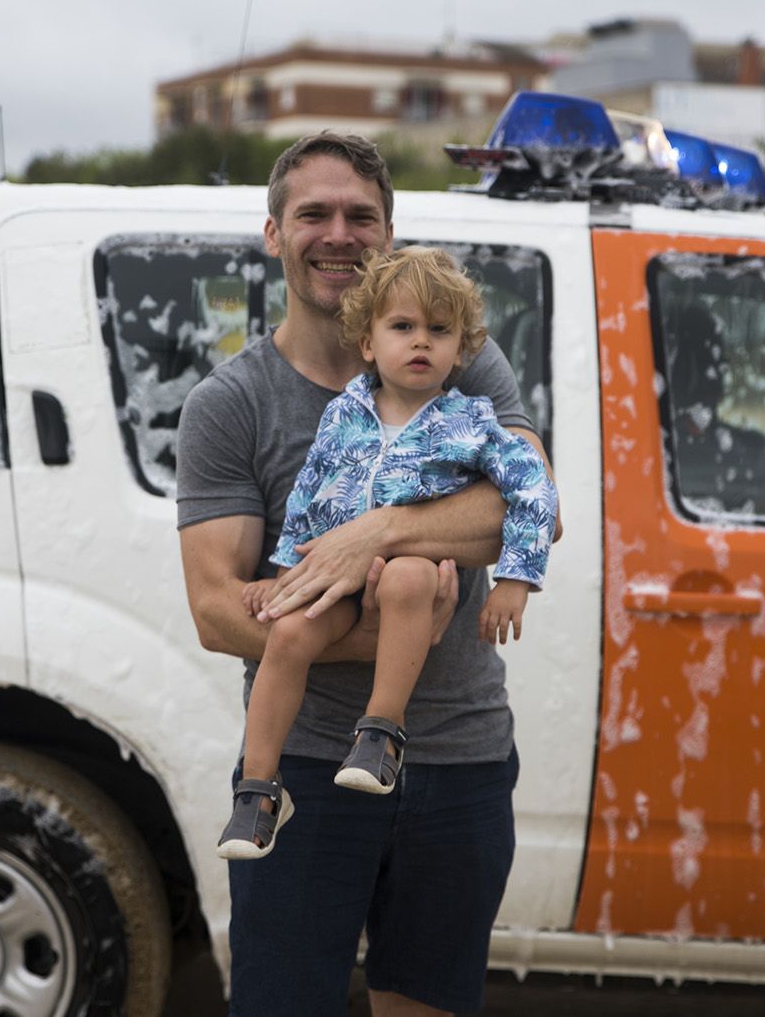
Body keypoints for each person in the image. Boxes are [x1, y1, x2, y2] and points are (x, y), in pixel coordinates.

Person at [176, 130, 560, 1017]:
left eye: (362, 216)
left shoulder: (461, 364)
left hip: (460, 759)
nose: (339, 234)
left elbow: (533, 499)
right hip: (307, 771)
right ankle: (255, 796)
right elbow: (217, 609)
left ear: (389, 235)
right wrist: (392, 635)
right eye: (314, 214)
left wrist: (374, 535)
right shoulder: (230, 405)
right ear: (274, 233)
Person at [215, 246, 558, 861]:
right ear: (368, 343)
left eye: (439, 331)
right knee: (289, 632)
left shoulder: (473, 422)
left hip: (417, 569)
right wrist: (286, 573)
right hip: (334, 571)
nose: (420, 342)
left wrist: (516, 579)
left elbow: (533, 488)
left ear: (462, 348)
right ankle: (258, 790)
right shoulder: (344, 414)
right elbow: (311, 495)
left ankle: (380, 735)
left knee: (403, 578)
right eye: (403, 327)